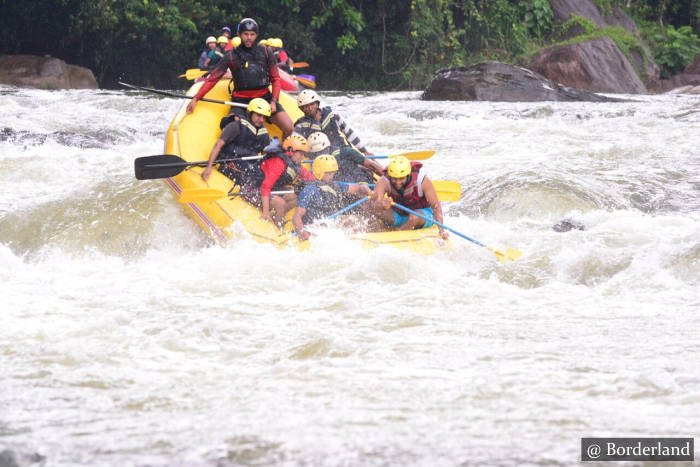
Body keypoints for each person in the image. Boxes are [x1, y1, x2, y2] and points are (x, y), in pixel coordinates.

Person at [186, 17, 294, 138]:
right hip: (241, 101)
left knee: (289, 127)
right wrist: (196, 98)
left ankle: (284, 153)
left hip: (265, 98)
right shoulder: (231, 56)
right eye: (245, 34)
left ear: (256, 35)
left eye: (252, 34)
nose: (249, 37)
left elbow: (275, 79)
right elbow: (213, 79)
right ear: (239, 34)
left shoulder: (266, 52)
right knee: (231, 129)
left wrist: (274, 101)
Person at [293, 155, 371, 241]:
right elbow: (297, 216)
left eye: (333, 172)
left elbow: (358, 189)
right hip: (315, 226)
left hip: (330, 222)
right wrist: (302, 231)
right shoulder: (309, 190)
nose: (332, 176)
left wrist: (363, 187)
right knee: (352, 222)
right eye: (329, 173)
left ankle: (367, 239)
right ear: (320, 172)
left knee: (359, 221)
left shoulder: (335, 185)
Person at [241, 135, 315, 225]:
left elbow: (309, 178)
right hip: (252, 189)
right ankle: (277, 225)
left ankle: (279, 216)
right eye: (301, 153)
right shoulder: (278, 162)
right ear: (291, 151)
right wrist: (265, 212)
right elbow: (265, 186)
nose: (303, 157)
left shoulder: (294, 163)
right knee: (280, 203)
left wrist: (322, 184)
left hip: (271, 188)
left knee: (297, 195)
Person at [371, 156, 449, 240]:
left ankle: (396, 235)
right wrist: (382, 205)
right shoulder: (383, 181)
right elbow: (374, 205)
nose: (398, 182)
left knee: (413, 217)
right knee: (373, 209)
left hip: (420, 216)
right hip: (399, 215)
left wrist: (441, 230)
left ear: (408, 175)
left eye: (401, 178)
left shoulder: (422, 180)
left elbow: (435, 206)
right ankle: (375, 231)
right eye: (394, 179)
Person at [200, 98, 271, 183]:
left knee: (260, 177)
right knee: (249, 179)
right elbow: (218, 145)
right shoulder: (236, 126)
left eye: (264, 117)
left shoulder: (264, 135)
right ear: (250, 113)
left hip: (248, 166)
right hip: (229, 163)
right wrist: (209, 167)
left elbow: (265, 157)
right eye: (258, 115)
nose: (261, 120)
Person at [305, 131, 381, 183]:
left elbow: (371, 164)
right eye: (317, 153)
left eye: (322, 151)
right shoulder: (315, 166)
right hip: (343, 190)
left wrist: (385, 175)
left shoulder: (346, 152)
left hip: (361, 182)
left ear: (328, 148)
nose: (320, 155)